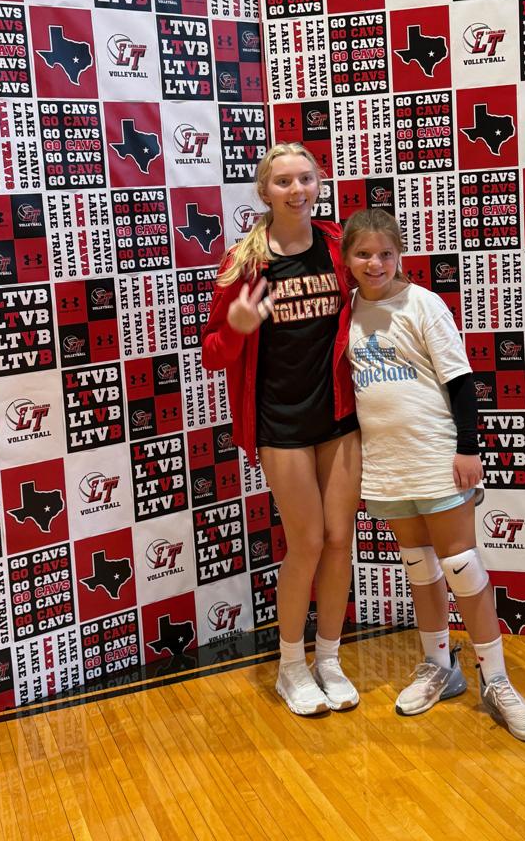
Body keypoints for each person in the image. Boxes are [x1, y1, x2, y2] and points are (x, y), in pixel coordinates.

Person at [341, 208, 525, 742]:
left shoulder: (423, 303)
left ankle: (496, 681)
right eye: (363, 254)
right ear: (348, 258)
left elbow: (461, 381)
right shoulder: (348, 310)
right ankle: (439, 666)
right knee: (420, 567)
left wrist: (468, 448)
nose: (375, 263)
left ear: (399, 254)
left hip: (435, 456)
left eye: (385, 253)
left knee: (461, 565)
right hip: (386, 464)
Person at [201, 142, 361, 717]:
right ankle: (291, 666)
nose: (297, 190)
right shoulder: (244, 261)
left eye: (306, 179)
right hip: (280, 421)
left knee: (340, 539)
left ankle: (329, 659)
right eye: (284, 181)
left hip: (338, 416)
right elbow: (212, 354)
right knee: (308, 541)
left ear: (320, 183)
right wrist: (238, 327)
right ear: (264, 192)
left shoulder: (339, 245)